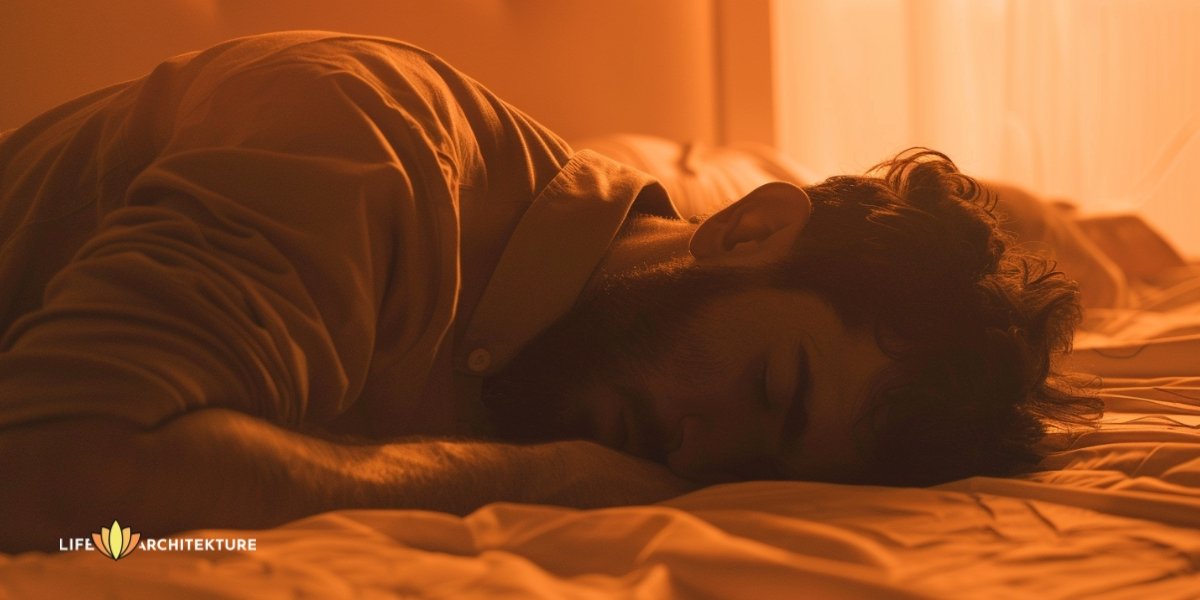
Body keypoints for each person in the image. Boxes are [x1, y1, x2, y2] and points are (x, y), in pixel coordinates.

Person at [0, 32, 1097, 552]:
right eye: (772, 386)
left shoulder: (565, 359)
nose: (697, 455)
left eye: (762, 466)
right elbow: (54, 478)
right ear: (748, 229)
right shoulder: (366, 146)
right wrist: (536, 478)